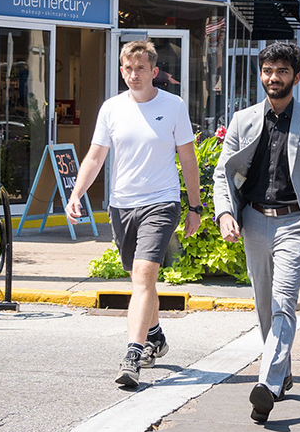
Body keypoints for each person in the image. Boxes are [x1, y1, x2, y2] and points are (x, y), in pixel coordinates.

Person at [213, 42, 300, 423]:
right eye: (269, 70)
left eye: (283, 71)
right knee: (264, 306)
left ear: (296, 77)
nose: (275, 77)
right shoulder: (243, 120)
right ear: (261, 74)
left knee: (284, 301)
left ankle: (268, 385)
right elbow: (223, 174)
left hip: (295, 222)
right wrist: (225, 213)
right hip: (254, 220)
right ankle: (282, 367)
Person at [65, 40, 201, 387]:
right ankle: (154, 333)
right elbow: (95, 157)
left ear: (154, 72)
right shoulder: (111, 109)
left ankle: (132, 355)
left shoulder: (173, 106)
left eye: (141, 68)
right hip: (122, 204)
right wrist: (76, 193)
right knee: (139, 278)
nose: (133, 74)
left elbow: (187, 158)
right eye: (128, 68)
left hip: (162, 201)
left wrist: (195, 207)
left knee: (143, 276)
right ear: (121, 70)